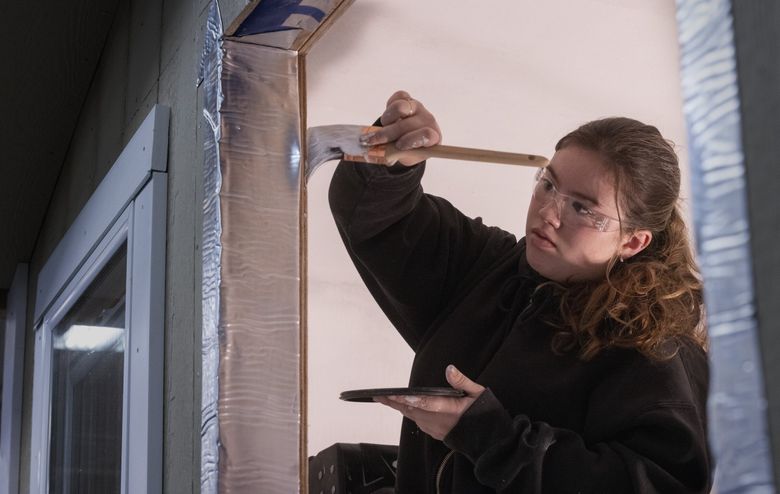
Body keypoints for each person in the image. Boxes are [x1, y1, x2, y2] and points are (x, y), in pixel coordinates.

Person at [328, 90, 712, 493]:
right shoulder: (488, 268)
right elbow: (376, 219)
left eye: (582, 208)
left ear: (633, 242)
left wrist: (489, 436)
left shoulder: (657, 350)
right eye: (548, 185)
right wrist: (391, 159)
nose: (548, 212)